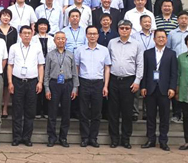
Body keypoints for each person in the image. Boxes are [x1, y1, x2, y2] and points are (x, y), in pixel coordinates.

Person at [107, 20, 143, 148]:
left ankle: (126, 139)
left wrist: (137, 81)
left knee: (127, 112)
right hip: (114, 80)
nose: (124, 30)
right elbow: (108, 62)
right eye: (122, 28)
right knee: (113, 112)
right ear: (118, 29)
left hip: (129, 81)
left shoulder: (137, 44)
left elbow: (140, 64)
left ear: (131, 30)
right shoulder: (112, 43)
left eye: (127, 28)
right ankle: (114, 139)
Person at [140, 30, 178, 151]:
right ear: (154, 39)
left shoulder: (171, 54)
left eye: (163, 37)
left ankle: (163, 141)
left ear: (166, 39)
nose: (161, 39)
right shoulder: (147, 53)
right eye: (158, 37)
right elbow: (144, 71)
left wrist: (172, 88)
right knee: (150, 116)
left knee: (164, 116)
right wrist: (143, 86)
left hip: (165, 89)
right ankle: (150, 139)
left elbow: (174, 73)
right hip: (150, 88)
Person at [8, 26, 44, 146]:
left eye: (29, 33)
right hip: (17, 81)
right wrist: (10, 82)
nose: (27, 35)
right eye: (24, 33)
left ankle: (27, 137)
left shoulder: (37, 47)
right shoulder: (14, 47)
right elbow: (10, 65)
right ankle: (17, 137)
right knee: (17, 111)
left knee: (30, 111)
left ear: (32, 34)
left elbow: (40, 65)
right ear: (20, 35)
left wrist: (40, 82)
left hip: (32, 82)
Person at [75, 26, 111, 148]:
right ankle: (85, 137)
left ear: (98, 35)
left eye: (94, 34)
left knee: (96, 112)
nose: (92, 36)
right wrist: (76, 85)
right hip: (83, 82)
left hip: (98, 83)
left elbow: (107, 68)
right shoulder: (79, 50)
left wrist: (105, 85)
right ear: (86, 35)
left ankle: (93, 138)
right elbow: (76, 68)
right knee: (83, 112)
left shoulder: (104, 50)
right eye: (90, 34)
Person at [44, 31, 78, 147]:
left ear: (66, 40)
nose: (60, 41)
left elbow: (74, 73)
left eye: (63, 38)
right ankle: (52, 137)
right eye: (58, 38)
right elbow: (46, 73)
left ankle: (63, 137)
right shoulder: (50, 55)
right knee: (52, 112)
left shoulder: (70, 55)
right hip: (54, 84)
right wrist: (47, 88)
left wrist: (75, 88)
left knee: (66, 113)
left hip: (67, 84)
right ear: (54, 41)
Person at [166, 10, 188, 123]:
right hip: (175, 64)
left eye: (186, 18)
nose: (183, 20)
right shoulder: (172, 33)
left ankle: (186, 114)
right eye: (181, 18)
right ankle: (176, 113)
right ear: (177, 20)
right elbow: (168, 48)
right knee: (176, 88)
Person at [0, 9, 18, 118]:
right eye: (4, 15)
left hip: (11, 60)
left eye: (8, 16)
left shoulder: (14, 30)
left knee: (7, 85)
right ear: (0, 17)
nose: (6, 17)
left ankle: (5, 108)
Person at [34, 18, 55, 118]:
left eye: (45, 25)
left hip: (49, 66)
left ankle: (46, 111)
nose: (43, 27)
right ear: (37, 27)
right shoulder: (33, 39)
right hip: (37, 66)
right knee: (38, 87)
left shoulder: (52, 39)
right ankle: (37, 110)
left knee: (48, 87)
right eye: (41, 25)